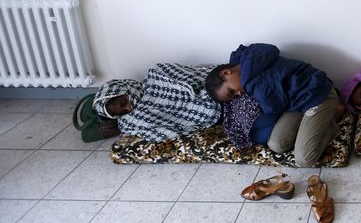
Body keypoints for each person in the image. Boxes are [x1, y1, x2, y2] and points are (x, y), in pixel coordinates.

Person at [205, 43, 342, 167]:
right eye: (234, 96)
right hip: (294, 102)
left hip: (317, 93)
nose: (239, 94)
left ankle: (332, 115)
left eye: (231, 91)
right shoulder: (244, 61)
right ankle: (316, 121)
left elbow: (272, 109)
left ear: (226, 72)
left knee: (304, 159)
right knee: (277, 145)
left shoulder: (254, 84)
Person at [93, 63, 221, 142]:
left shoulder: (157, 73)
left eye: (123, 102)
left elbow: (192, 76)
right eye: (124, 111)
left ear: (124, 89)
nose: (129, 108)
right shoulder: (134, 117)